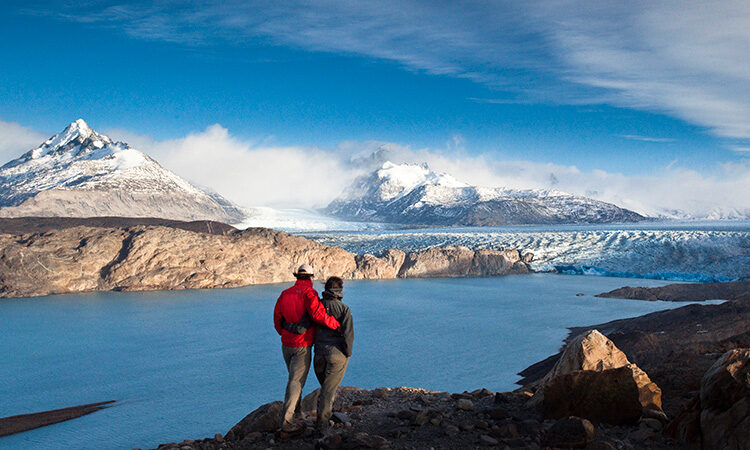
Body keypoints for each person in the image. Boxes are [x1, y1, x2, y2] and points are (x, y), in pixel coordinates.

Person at [273, 264, 340, 434]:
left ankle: (297, 414)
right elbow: (318, 315)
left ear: (297, 277)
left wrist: (284, 333)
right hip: (302, 344)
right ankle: (287, 422)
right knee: (296, 381)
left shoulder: (285, 293)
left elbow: (277, 318)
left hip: (286, 343)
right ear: (310, 277)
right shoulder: (310, 293)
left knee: (294, 380)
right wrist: (335, 324)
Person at [284, 276, 354, 433]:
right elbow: (348, 336)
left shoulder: (316, 307)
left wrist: (285, 325)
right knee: (328, 391)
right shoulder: (344, 310)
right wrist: (347, 354)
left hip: (318, 354)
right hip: (336, 355)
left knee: (325, 389)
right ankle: (321, 427)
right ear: (339, 290)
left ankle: (321, 416)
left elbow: (301, 328)